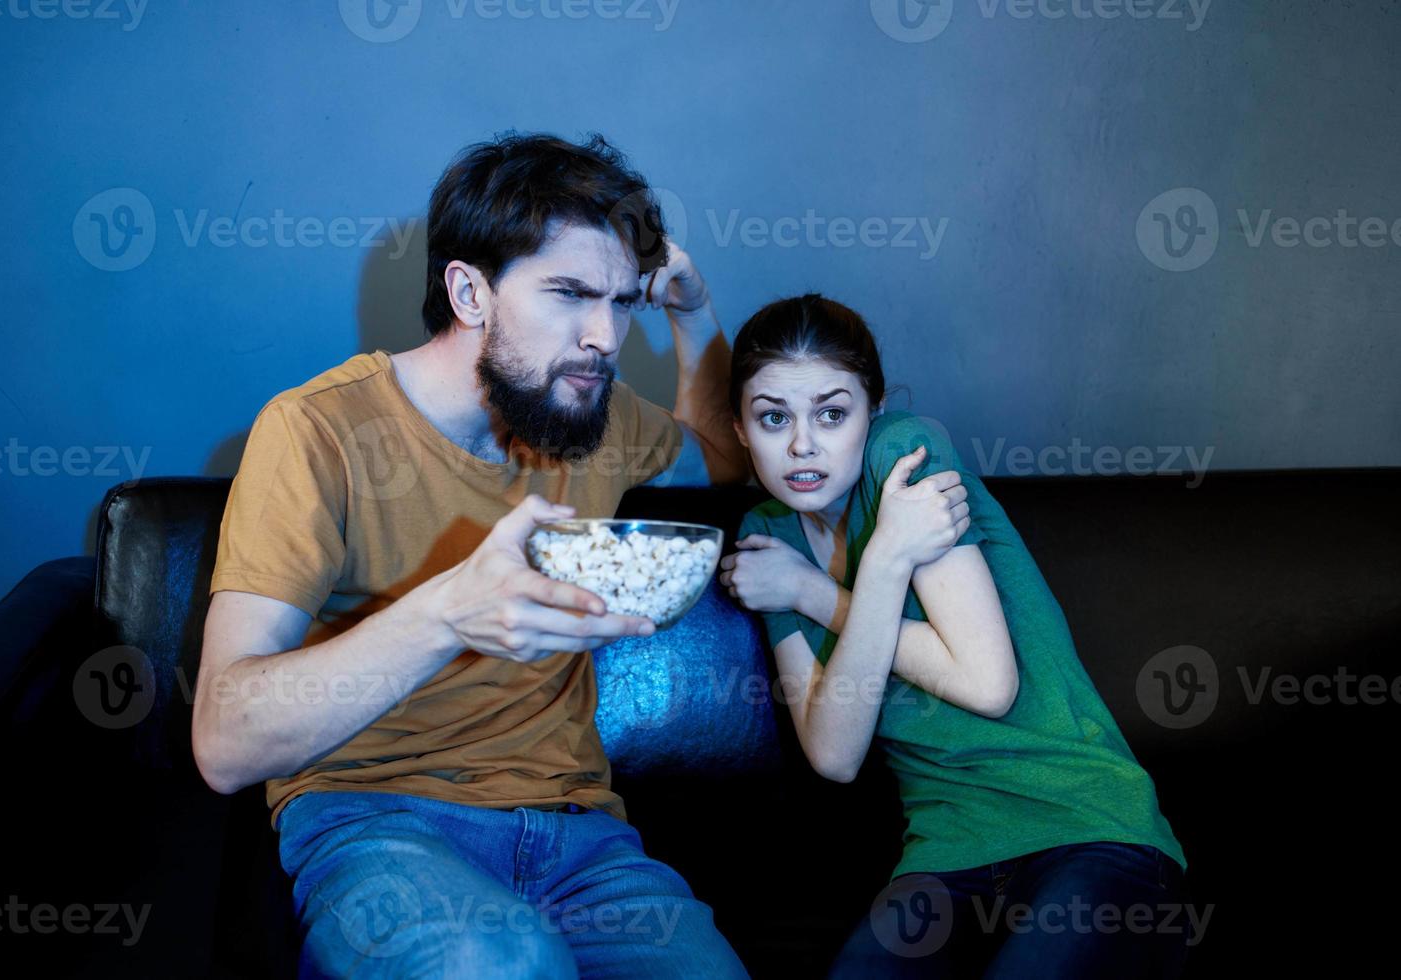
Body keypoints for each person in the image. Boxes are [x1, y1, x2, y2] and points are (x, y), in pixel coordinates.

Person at [192, 132, 751, 978]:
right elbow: (225, 741)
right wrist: (447, 611)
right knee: (502, 965)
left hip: (582, 833)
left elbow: (725, 456)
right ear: (469, 291)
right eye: (568, 292)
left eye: (621, 300)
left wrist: (692, 310)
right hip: (378, 821)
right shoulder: (318, 433)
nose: (603, 336)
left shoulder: (587, 411)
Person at [718, 294, 1192, 978]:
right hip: (945, 857)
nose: (801, 445)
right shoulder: (769, 538)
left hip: (1086, 828)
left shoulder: (902, 455)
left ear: (872, 410)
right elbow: (833, 753)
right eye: (772, 418)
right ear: (739, 428)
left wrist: (814, 592)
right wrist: (867, 571)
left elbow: (986, 683)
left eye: (830, 413)